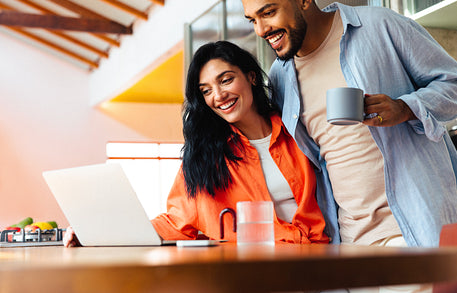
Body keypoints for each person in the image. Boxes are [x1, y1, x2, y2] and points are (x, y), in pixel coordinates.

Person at [229, 0, 457, 250]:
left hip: (411, 230)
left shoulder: (379, 26)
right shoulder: (280, 76)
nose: (261, 29)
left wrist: (405, 107)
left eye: (269, 13)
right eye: (252, 20)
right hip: (349, 242)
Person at [64, 40, 329, 247]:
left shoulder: (296, 130)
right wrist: (99, 233)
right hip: (253, 272)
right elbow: (176, 221)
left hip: (315, 259)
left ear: (251, 77)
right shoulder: (206, 156)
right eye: (206, 90)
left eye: (226, 80)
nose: (219, 95)